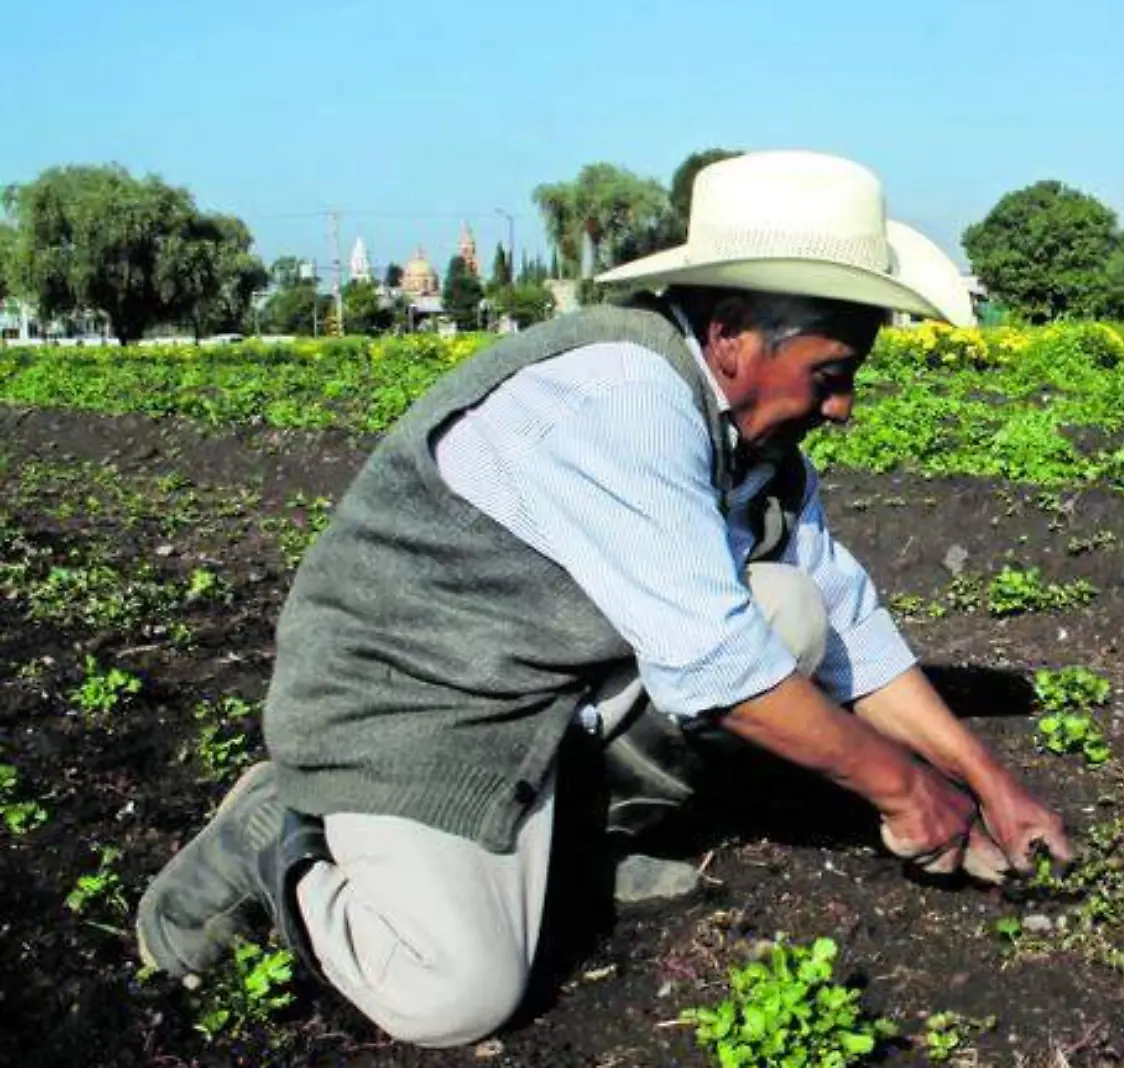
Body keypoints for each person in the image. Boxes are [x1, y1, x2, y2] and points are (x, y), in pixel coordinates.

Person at [135, 151, 1072, 1048]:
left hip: (535, 686)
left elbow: (850, 630)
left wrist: (985, 780)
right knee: (453, 992)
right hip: (412, 709)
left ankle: (577, 855)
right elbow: (716, 669)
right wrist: (904, 789)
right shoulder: (622, 394)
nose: (843, 408)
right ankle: (282, 836)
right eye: (831, 375)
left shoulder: (758, 453)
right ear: (734, 335)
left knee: (791, 612)